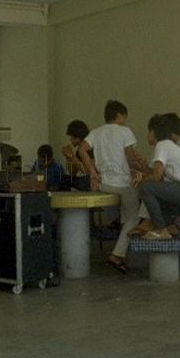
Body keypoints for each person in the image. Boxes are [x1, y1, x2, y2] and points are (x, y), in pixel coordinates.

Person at [78, 100, 146, 273]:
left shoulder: (96, 132)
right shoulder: (125, 131)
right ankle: (118, 254)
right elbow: (130, 158)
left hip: (104, 184)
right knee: (134, 216)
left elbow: (81, 149)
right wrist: (138, 173)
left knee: (124, 213)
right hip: (122, 184)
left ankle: (119, 229)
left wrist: (92, 171)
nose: (125, 120)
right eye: (124, 117)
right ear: (119, 115)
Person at [130, 113, 180, 237]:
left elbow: (156, 177)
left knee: (146, 187)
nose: (147, 135)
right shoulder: (167, 145)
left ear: (154, 132)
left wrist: (141, 181)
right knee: (155, 192)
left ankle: (162, 230)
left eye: (149, 131)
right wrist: (142, 172)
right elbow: (157, 174)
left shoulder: (162, 145)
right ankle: (166, 227)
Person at [61, 120, 91, 190]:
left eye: (72, 137)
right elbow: (73, 173)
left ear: (78, 137)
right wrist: (68, 157)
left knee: (84, 180)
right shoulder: (78, 150)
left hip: (91, 179)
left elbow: (87, 171)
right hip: (83, 178)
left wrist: (72, 156)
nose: (70, 139)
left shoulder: (89, 147)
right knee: (63, 179)